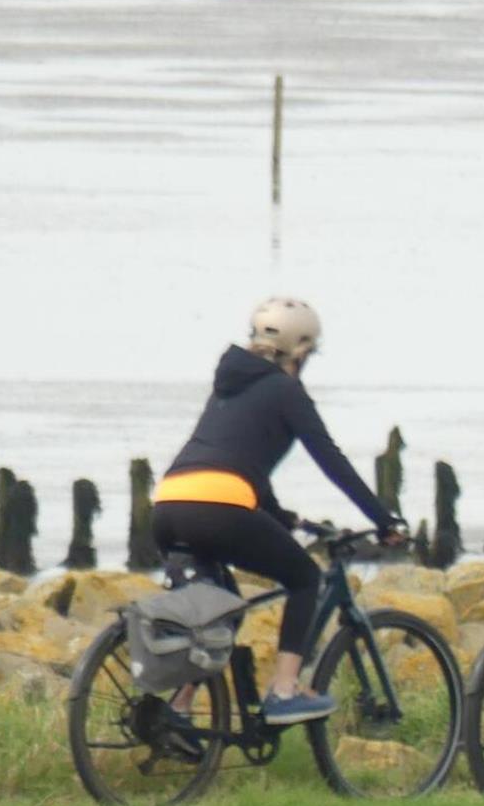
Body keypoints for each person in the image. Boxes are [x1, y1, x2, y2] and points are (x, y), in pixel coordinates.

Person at [152, 297, 405, 725]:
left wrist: (283, 517)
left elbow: (238, 458)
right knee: (304, 577)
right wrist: (384, 519)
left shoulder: (229, 384)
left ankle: (178, 708)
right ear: (301, 350)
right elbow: (331, 460)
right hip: (219, 507)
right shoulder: (286, 390)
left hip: (169, 504)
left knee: (221, 607)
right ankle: (285, 690)